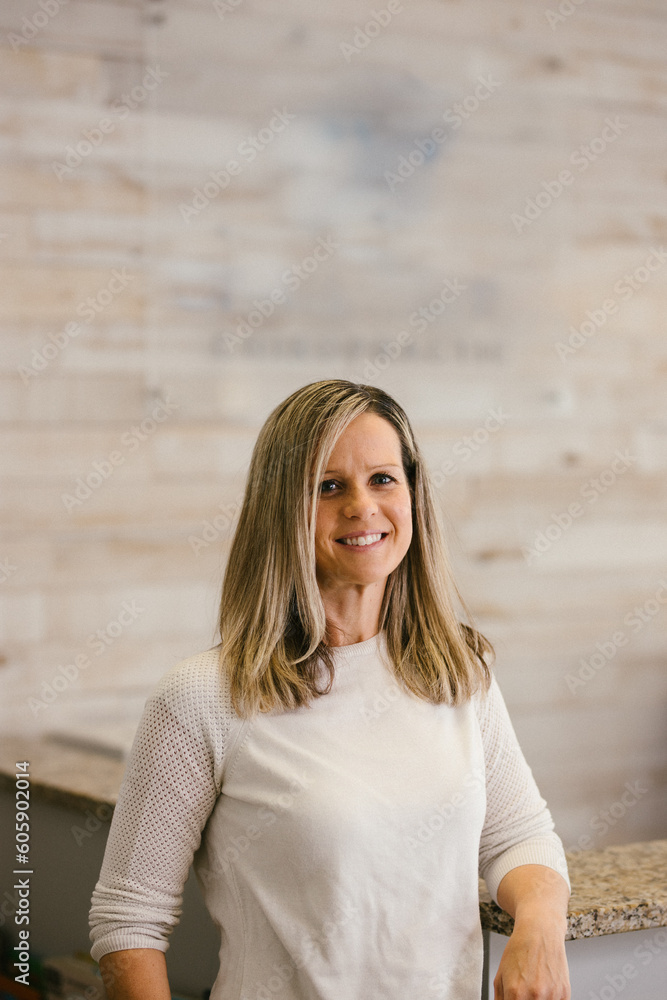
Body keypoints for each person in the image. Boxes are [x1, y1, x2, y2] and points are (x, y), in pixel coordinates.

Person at [89, 379, 571, 1000]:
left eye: (382, 479)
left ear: (414, 495)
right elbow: (129, 920)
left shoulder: (458, 669)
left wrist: (539, 923)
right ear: (281, 507)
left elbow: (519, 835)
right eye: (328, 485)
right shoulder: (201, 698)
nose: (361, 507)